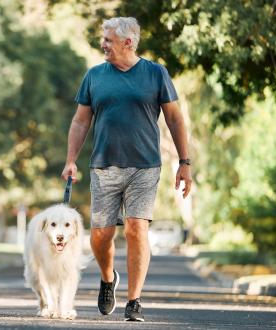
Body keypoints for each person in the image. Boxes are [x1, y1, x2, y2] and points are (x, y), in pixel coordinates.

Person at [61, 17, 192, 322]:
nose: (102, 44)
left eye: (108, 39)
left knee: (136, 228)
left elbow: (174, 119)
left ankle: (134, 301)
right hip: (103, 165)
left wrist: (184, 163)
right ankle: (108, 279)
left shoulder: (156, 73)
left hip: (145, 166)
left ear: (128, 42)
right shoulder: (94, 76)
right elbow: (81, 121)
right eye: (103, 39)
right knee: (100, 236)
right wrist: (71, 159)